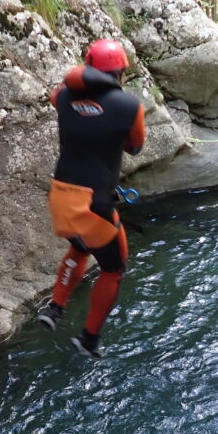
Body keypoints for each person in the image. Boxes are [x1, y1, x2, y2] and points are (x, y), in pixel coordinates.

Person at [37, 39, 146, 359]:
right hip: (94, 203)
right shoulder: (128, 106)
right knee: (114, 268)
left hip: (61, 196)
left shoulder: (64, 96)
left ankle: (55, 309)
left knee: (79, 246)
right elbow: (135, 146)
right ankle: (89, 339)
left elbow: (58, 95)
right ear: (121, 71)